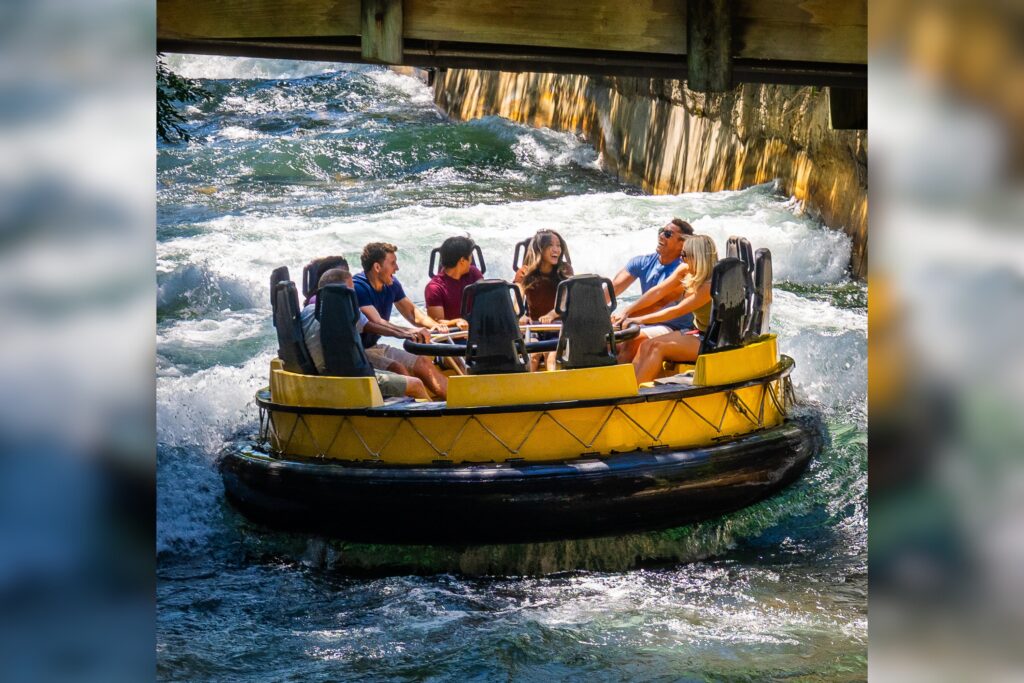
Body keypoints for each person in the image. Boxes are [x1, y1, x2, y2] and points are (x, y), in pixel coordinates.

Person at [299, 267, 430, 400]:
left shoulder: (306, 311)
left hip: (324, 375)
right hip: (350, 380)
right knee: (416, 384)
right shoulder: (342, 311)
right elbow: (372, 326)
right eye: (351, 290)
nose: (353, 295)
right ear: (340, 292)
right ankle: (435, 419)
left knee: (397, 372)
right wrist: (404, 333)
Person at [353, 242, 450, 399]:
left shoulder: (392, 283)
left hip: (376, 346)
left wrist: (436, 326)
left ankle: (458, 404)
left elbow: (413, 313)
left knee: (422, 362)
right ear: (377, 267)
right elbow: (377, 322)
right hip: (359, 351)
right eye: (392, 263)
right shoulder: (359, 287)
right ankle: (425, 412)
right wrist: (408, 332)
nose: (396, 268)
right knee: (398, 368)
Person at [623, 234, 718, 384]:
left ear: (698, 257)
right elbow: (659, 291)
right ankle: (630, 388)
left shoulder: (709, 286)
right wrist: (628, 311)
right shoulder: (686, 269)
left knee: (657, 347)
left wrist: (638, 319)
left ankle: (637, 398)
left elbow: (677, 310)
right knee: (646, 344)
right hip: (697, 333)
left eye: (685, 255)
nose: (681, 258)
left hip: (712, 340)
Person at [610, 218, 695, 362]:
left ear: (682, 244)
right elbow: (611, 291)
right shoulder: (643, 262)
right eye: (662, 231)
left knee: (634, 338)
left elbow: (658, 303)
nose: (661, 235)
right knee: (603, 339)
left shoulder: (685, 270)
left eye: (668, 234)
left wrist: (625, 316)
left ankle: (615, 381)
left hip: (673, 328)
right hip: (645, 322)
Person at [513, 229, 574, 371]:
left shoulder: (565, 270)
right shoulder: (524, 272)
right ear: (540, 249)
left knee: (551, 357)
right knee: (533, 356)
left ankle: (553, 390)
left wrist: (552, 315)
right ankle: (527, 391)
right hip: (534, 327)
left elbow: (565, 299)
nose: (556, 250)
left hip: (557, 327)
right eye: (550, 245)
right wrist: (521, 315)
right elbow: (517, 299)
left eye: (558, 245)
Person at [424, 235, 483, 330]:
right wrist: (456, 322)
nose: (471, 260)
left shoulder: (474, 273)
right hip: (453, 337)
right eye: (470, 256)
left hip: (478, 332)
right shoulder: (434, 288)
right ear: (462, 260)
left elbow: (486, 298)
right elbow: (437, 322)